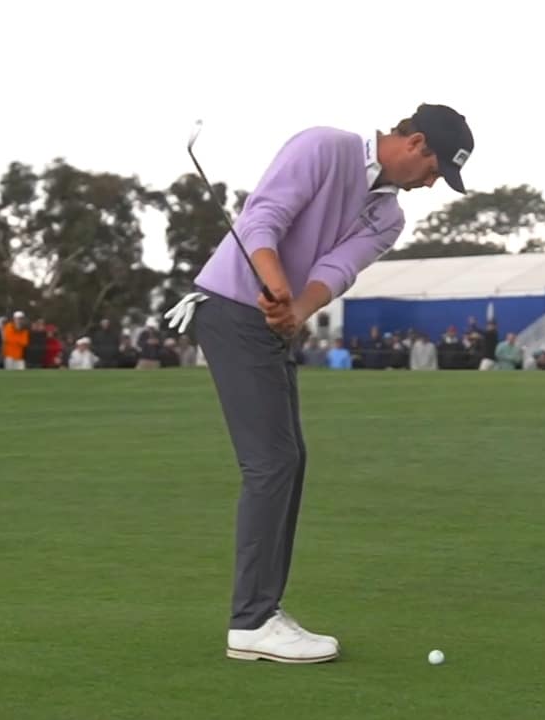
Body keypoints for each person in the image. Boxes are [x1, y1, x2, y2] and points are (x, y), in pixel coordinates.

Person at [165, 103, 475, 664]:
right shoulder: (325, 147)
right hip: (231, 308)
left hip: (267, 324)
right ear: (416, 144)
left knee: (289, 459)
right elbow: (261, 220)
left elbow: (336, 271)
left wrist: (295, 309)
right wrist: (275, 283)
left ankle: (260, 612)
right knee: (271, 462)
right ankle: (252, 621)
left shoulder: (390, 218)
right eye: (435, 172)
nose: (432, 184)